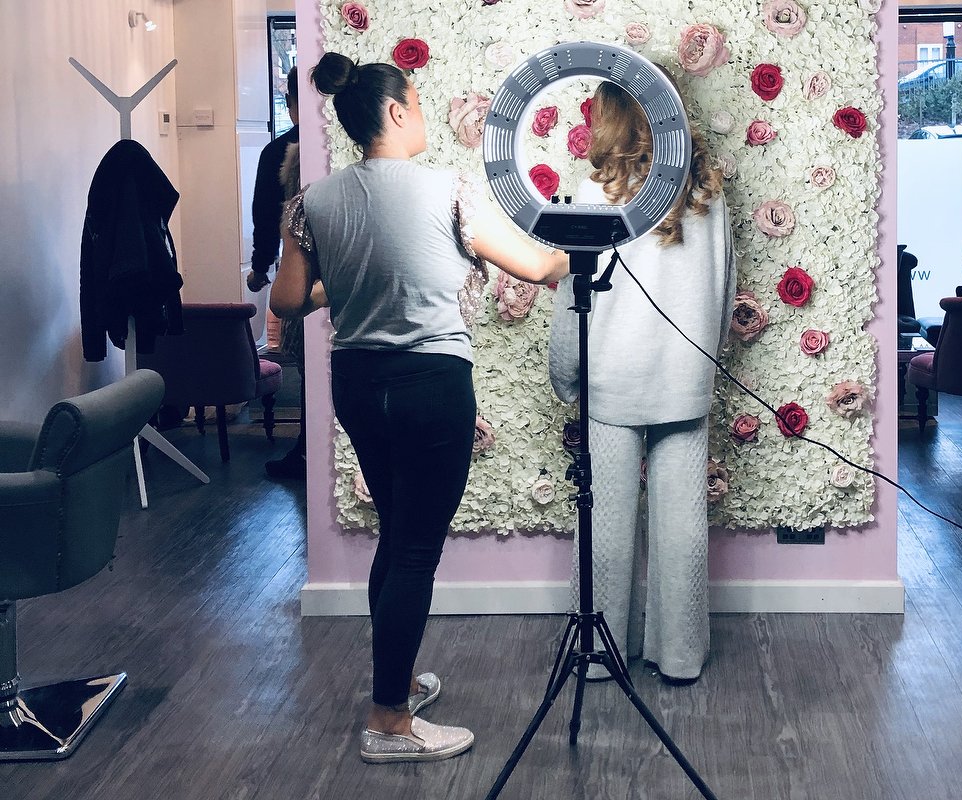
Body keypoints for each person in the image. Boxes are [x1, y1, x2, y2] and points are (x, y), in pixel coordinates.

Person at [270, 52, 569, 763]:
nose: (425, 114)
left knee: (395, 535)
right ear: (396, 111)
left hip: (357, 383)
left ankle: (397, 681)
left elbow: (286, 300)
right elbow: (534, 266)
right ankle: (389, 721)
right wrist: (582, 248)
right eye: (419, 102)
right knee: (413, 549)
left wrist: (347, 282)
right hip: (430, 383)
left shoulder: (312, 201)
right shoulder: (447, 189)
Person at [548, 76, 735, 685]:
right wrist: (707, 356)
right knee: (683, 525)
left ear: (612, 119)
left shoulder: (594, 193)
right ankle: (680, 656)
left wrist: (565, 375)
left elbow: (574, 296)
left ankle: (601, 658)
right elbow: (727, 284)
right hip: (686, 376)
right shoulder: (708, 191)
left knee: (604, 521)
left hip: (613, 376)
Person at [246, 66, 307, 479]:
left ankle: (306, 449)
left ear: (289, 102)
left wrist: (260, 265)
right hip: (346, 270)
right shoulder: (344, 143)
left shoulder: (277, 151)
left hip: (299, 271)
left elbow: (266, 217)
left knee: (306, 361)